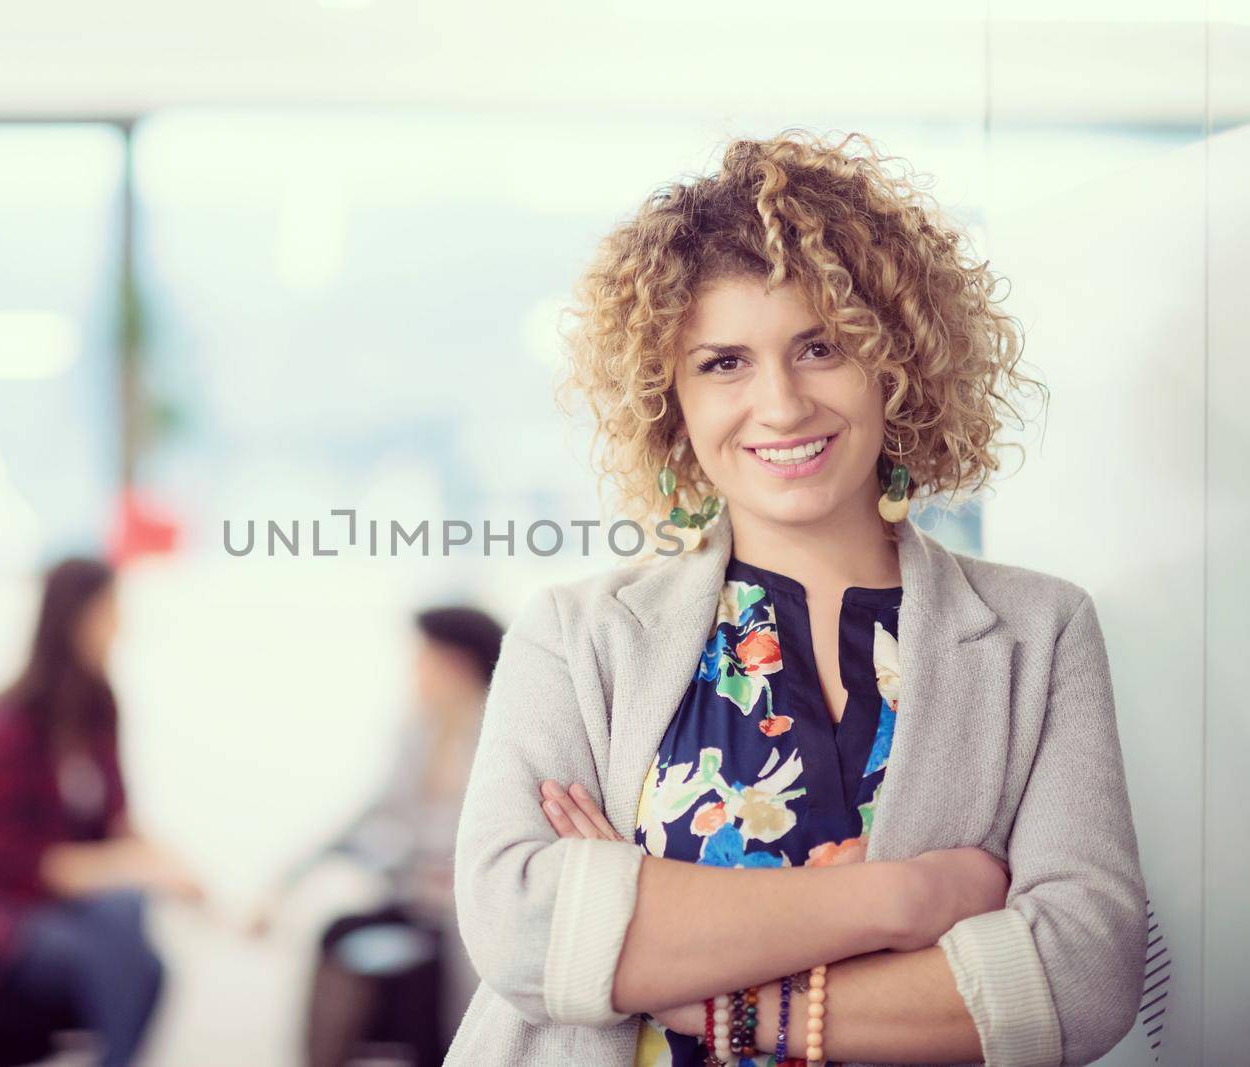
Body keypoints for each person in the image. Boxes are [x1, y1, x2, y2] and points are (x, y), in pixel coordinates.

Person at [447, 130, 1148, 1067]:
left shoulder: (1041, 631)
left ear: (896, 362)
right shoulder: (576, 639)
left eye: (820, 348)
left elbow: (1082, 978)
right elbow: (521, 929)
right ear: (671, 399)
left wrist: (693, 975)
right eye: (723, 362)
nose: (779, 405)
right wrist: (906, 900)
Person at [0, 557, 205, 1067]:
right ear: (75, 619)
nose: (121, 628)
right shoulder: (1, 728)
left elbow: (118, 825)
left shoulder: (99, 710)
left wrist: (189, 877)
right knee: (114, 957)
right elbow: (19, 866)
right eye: (111, 612)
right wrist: (135, 868)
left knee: (135, 932)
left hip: (61, 909)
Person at [251, 605, 504, 1067]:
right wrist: (284, 884)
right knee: (338, 933)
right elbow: (362, 821)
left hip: (473, 916)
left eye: (423, 659)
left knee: (435, 978)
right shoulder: (417, 737)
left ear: (457, 664)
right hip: (413, 904)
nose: (414, 673)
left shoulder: (502, 738)